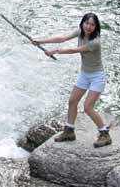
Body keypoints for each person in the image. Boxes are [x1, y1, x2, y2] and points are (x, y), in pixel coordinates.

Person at [32, 12, 112, 148]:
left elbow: (75, 50)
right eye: (87, 23)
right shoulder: (80, 31)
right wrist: (40, 41)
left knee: (88, 107)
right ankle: (69, 131)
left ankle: (105, 134)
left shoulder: (95, 42)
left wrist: (55, 51)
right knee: (72, 101)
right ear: (82, 23)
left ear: (96, 27)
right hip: (85, 74)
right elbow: (62, 38)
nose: (89, 27)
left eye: (92, 25)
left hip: (97, 77)